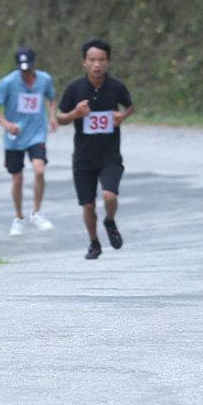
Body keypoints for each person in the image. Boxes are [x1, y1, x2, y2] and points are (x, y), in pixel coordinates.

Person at [56, 39, 135, 259]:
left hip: (110, 155)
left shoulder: (116, 87)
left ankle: (110, 221)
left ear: (108, 62)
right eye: (92, 60)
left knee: (109, 195)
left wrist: (122, 116)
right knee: (88, 205)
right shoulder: (75, 88)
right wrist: (74, 114)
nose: (97, 64)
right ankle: (94, 243)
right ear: (84, 62)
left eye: (101, 60)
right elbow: (60, 118)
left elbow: (129, 106)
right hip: (83, 157)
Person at [0, 46, 59, 236]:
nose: (26, 73)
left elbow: (51, 98)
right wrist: (6, 124)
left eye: (29, 69)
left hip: (37, 132)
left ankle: (36, 212)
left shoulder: (44, 79)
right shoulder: (8, 82)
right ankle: (18, 217)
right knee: (17, 179)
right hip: (15, 136)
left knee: (39, 170)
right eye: (23, 69)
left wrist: (52, 116)